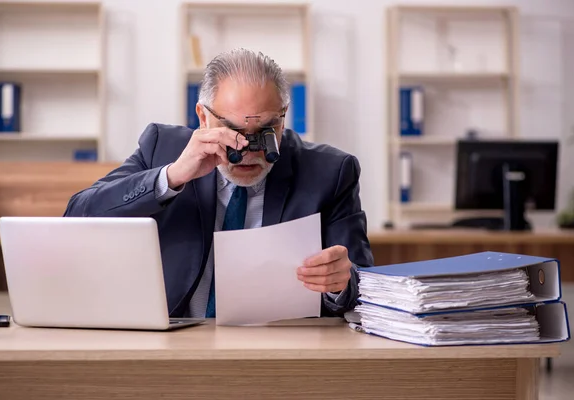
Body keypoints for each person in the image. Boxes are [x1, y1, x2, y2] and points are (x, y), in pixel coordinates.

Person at [64, 48, 374, 318]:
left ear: (284, 117)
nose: (250, 151)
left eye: (267, 130)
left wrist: (340, 283)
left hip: (279, 348)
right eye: (233, 132)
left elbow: (363, 283)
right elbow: (77, 216)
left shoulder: (331, 171)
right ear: (203, 117)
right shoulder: (163, 147)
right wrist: (171, 176)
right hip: (173, 342)